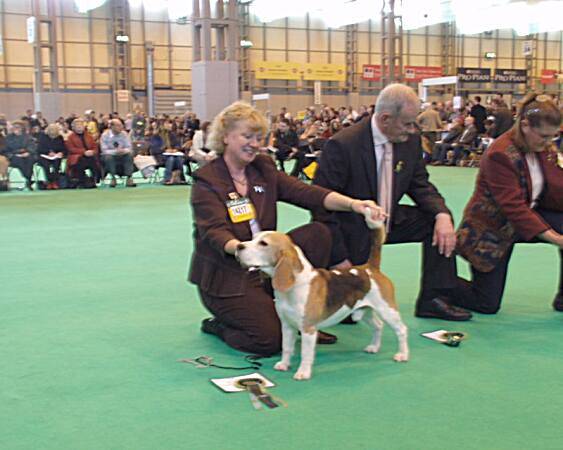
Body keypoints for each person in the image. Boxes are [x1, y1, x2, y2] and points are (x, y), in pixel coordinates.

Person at [189, 101, 386, 356]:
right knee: (269, 341)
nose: (255, 143)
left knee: (319, 234)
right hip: (227, 276)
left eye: (259, 137)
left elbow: (308, 193)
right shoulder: (207, 180)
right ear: (225, 137)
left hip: (266, 264)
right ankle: (221, 326)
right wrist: (243, 251)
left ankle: (307, 314)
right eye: (247, 136)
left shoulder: (263, 169)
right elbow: (214, 232)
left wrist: (354, 204)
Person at [312, 83, 472, 321]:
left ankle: (435, 299)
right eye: (407, 123)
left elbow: (421, 185)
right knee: (349, 314)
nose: (412, 129)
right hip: (352, 228)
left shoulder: (410, 141)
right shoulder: (343, 145)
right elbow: (321, 206)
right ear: (385, 118)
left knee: (434, 224)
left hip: (389, 219)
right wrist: (338, 258)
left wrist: (442, 214)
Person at [455, 93, 562, 314]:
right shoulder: (500, 154)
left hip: (529, 216)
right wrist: (557, 238)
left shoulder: (545, 149)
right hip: (491, 228)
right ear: (525, 125)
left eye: (553, 136)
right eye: (543, 136)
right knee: (486, 303)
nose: (549, 142)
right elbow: (513, 207)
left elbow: (556, 189)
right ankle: (439, 283)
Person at [100, 119, 136, 187]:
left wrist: (123, 151)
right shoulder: (105, 135)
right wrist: (115, 152)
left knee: (130, 155)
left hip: (123, 155)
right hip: (110, 155)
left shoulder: (124, 134)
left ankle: (129, 178)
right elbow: (104, 150)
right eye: (118, 125)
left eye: (121, 125)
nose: (121, 127)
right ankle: (113, 178)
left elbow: (129, 147)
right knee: (108, 157)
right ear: (112, 127)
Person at [65, 118, 100, 188]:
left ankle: (94, 180)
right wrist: (84, 152)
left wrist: (92, 152)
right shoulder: (70, 137)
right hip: (76, 157)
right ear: (73, 127)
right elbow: (71, 149)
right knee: (81, 162)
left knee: (93, 162)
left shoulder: (89, 136)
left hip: (90, 156)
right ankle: (83, 181)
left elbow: (95, 147)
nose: (79, 127)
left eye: (81, 125)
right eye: (77, 126)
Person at [3, 121, 36, 190]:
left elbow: (32, 146)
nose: (16, 129)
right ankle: (28, 179)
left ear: (21, 128)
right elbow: (6, 150)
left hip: (26, 155)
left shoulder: (27, 137)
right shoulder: (8, 138)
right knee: (19, 160)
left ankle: (27, 179)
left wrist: (28, 152)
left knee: (30, 159)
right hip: (14, 156)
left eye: (17, 127)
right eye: (14, 127)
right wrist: (16, 153)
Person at [37, 123, 66, 189]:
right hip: (44, 156)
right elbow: (39, 149)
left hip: (56, 156)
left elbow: (64, 149)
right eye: (51, 130)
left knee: (56, 164)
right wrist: (48, 152)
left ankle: (55, 181)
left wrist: (60, 153)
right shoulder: (43, 137)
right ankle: (49, 181)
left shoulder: (60, 138)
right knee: (46, 165)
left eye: (54, 130)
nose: (52, 131)